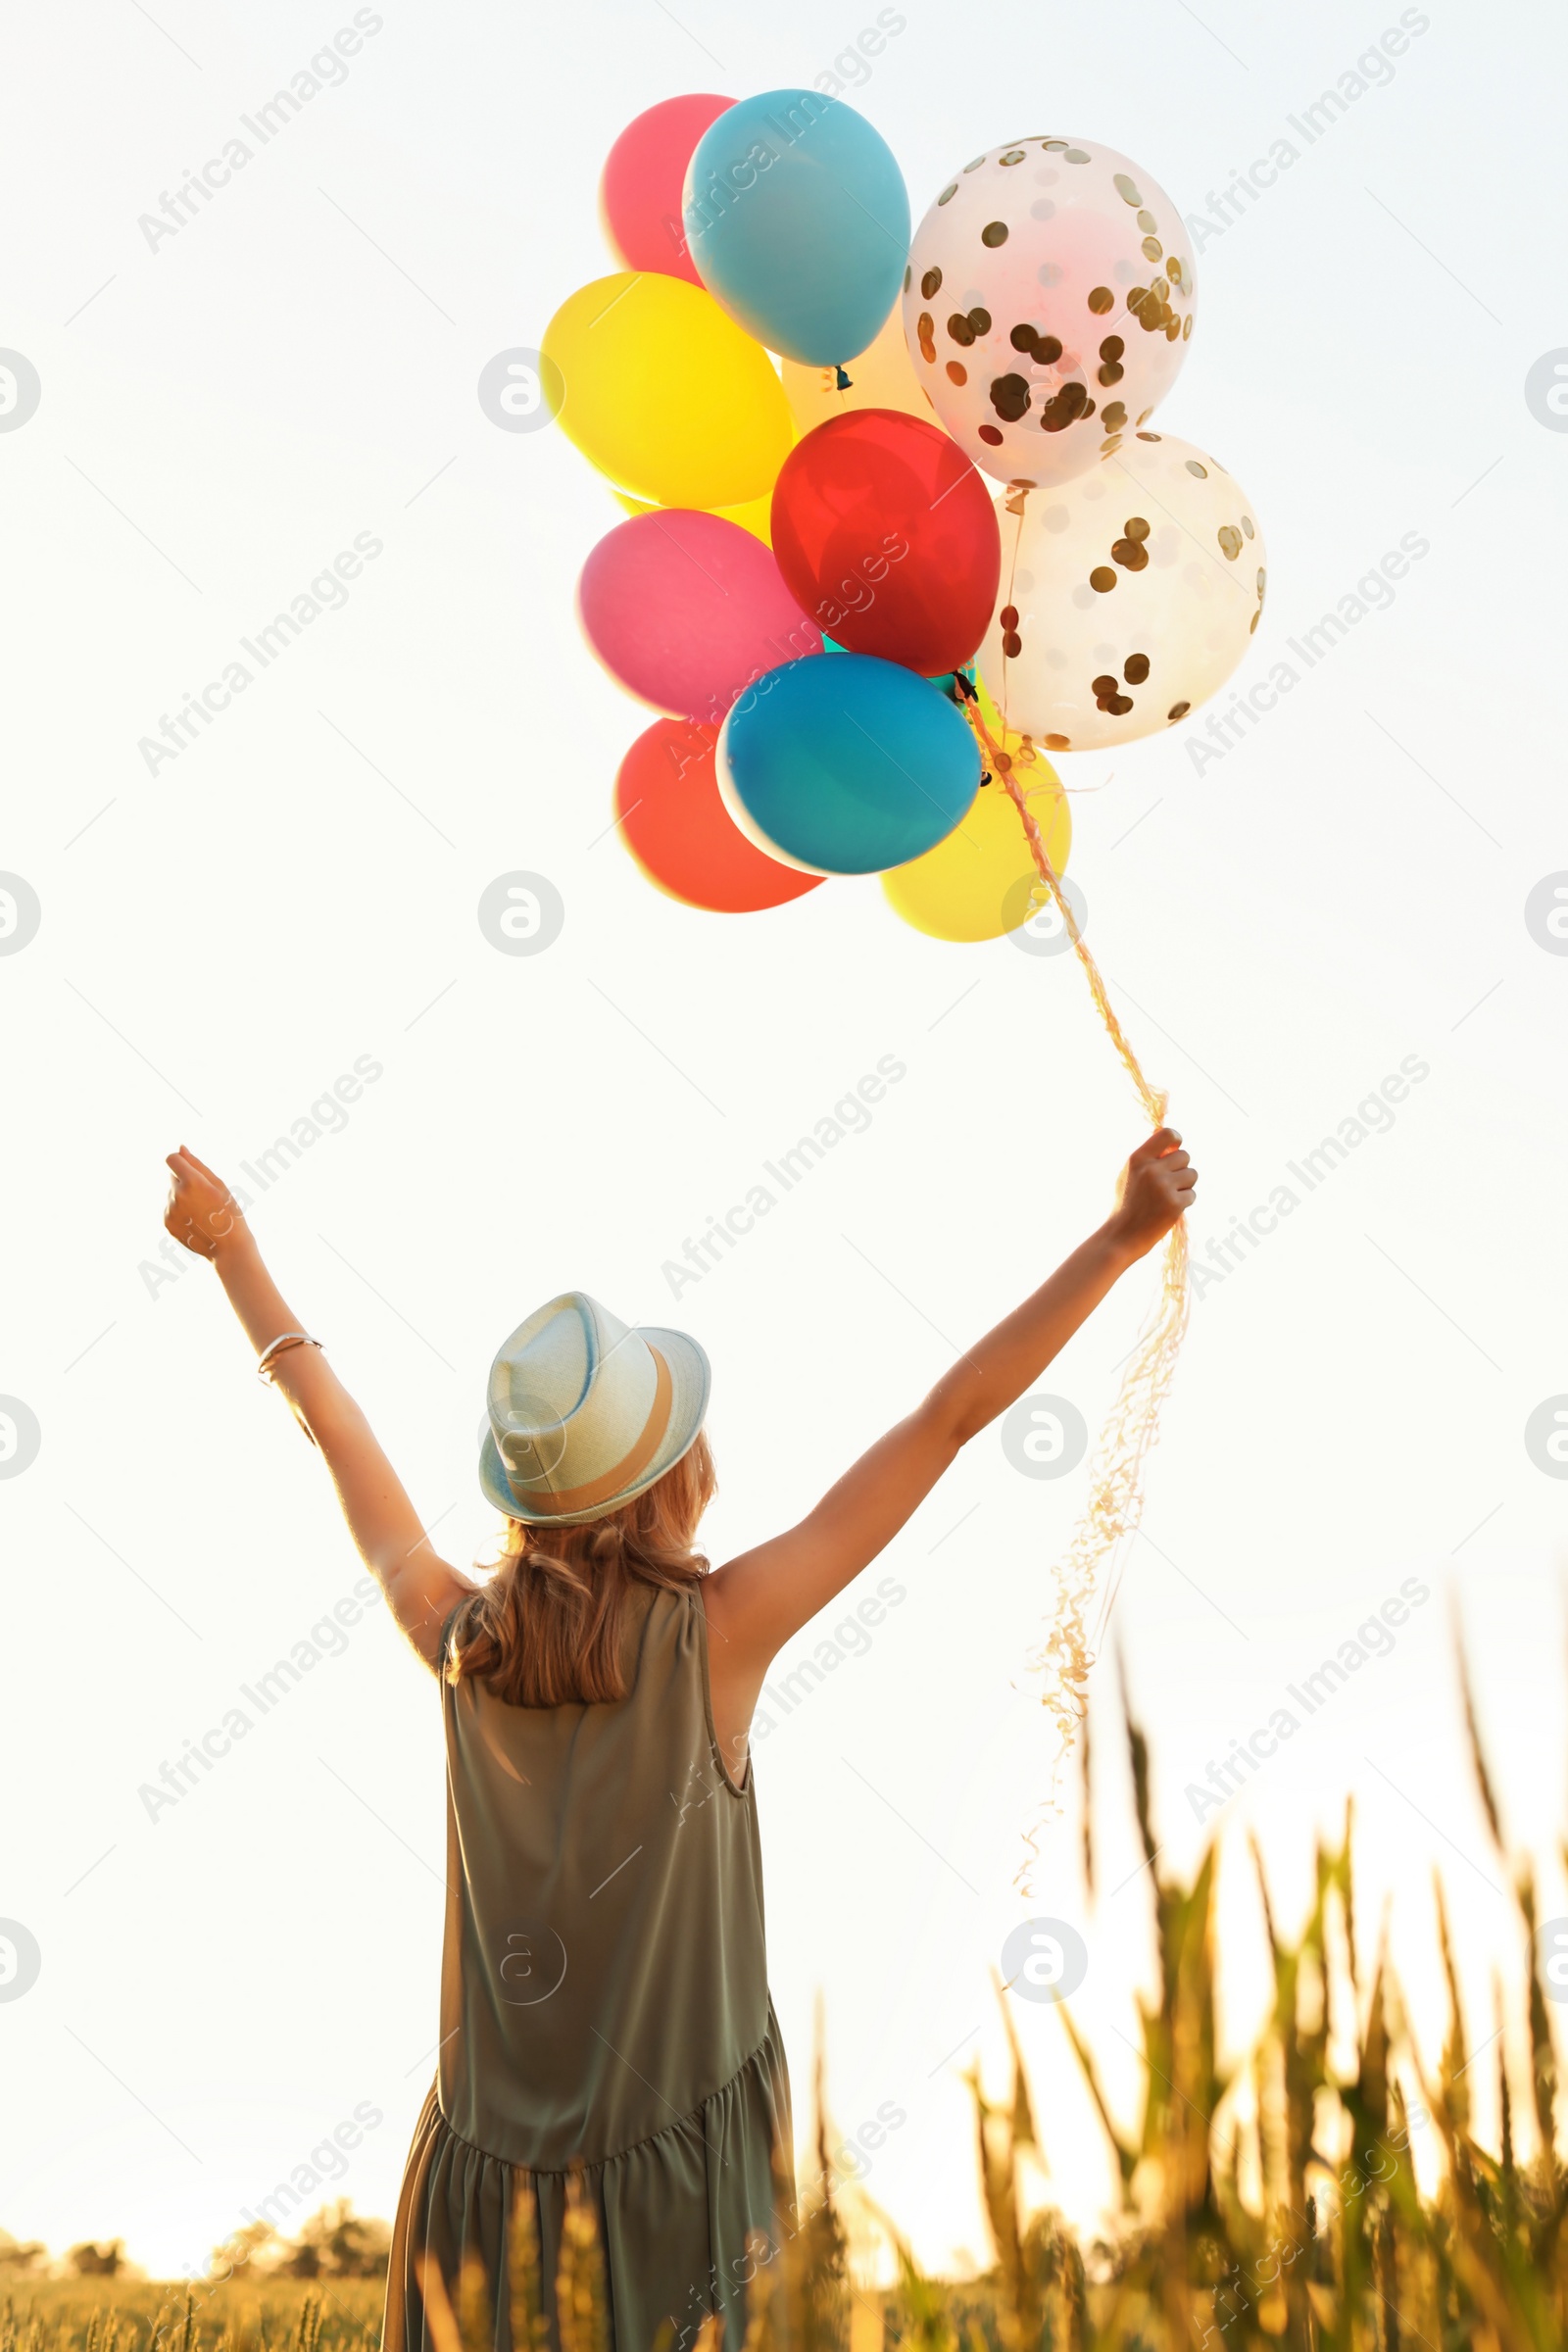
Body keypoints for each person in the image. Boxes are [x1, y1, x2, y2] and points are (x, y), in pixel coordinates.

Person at [162, 1126, 1196, 2350]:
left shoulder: (455, 1638)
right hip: (684, 2207)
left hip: (477, 2199)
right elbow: (947, 1420)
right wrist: (1120, 1238)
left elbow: (334, 1426)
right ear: (671, 1473)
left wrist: (235, 1255)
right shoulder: (721, 1629)